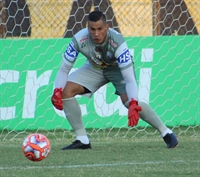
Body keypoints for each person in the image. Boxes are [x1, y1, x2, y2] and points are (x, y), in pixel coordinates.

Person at [52, 10, 178, 150]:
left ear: (107, 27)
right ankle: (82, 140)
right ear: (87, 28)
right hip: (95, 68)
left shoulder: (117, 42)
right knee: (65, 92)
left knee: (129, 103)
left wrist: (134, 102)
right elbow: (64, 69)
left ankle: (166, 132)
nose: (96, 33)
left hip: (117, 70)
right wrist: (57, 90)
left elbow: (129, 79)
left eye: (100, 29)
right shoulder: (79, 39)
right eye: (92, 29)